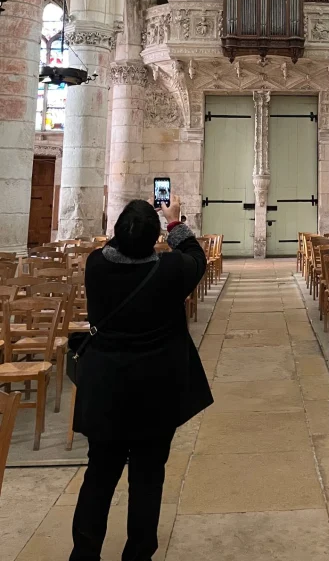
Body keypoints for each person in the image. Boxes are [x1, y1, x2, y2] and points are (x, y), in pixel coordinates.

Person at [70, 195, 213, 561]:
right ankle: (138, 554)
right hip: (154, 391)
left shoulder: (95, 266)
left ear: (117, 232)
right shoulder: (170, 270)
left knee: (99, 475)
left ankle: (84, 554)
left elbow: (113, 249)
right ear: (154, 239)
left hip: (106, 389)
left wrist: (137, 226)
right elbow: (198, 258)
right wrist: (175, 222)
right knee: (147, 478)